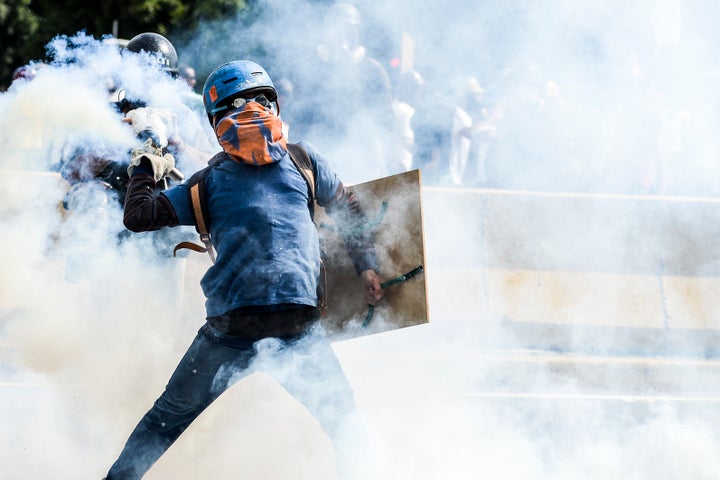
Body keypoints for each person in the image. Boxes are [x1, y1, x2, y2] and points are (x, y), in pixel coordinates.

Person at [102, 59, 385, 480]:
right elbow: (349, 209)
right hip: (289, 330)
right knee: (344, 422)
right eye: (243, 104)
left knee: (162, 425)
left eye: (256, 102)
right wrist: (367, 266)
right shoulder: (298, 160)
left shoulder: (213, 179)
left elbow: (138, 214)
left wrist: (145, 157)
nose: (250, 111)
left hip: (238, 332)